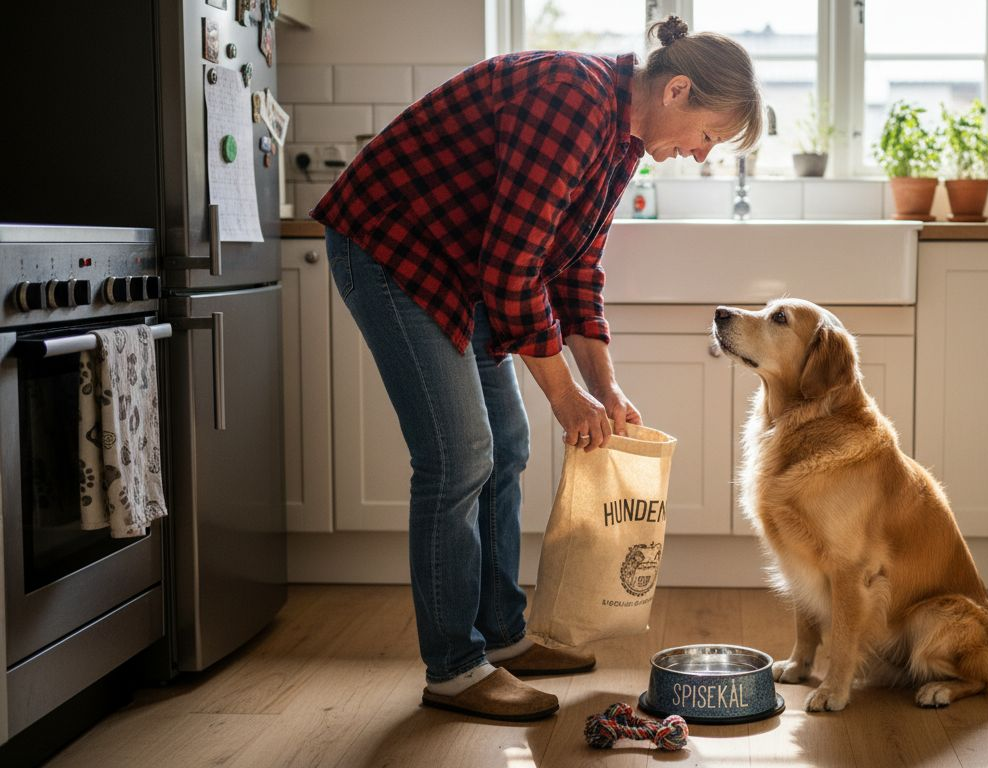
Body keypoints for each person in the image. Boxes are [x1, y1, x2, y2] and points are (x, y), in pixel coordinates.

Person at [311, 16, 762, 722]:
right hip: (391, 248)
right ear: (677, 90)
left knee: (506, 449)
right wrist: (566, 396)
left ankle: (502, 636)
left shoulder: (622, 141)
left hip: (462, 266)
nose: (702, 155)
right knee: (459, 457)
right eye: (709, 136)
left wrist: (603, 386)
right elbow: (515, 270)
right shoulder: (571, 100)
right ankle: (455, 668)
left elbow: (575, 267)